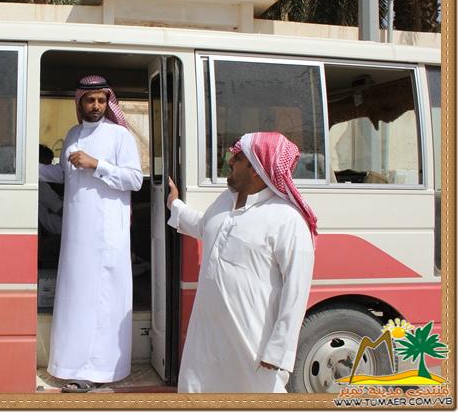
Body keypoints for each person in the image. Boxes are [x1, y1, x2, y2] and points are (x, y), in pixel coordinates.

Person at [167, 132, 316, 393]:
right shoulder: (225, 201)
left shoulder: (287, 220)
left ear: (256, 168)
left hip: (252, 343)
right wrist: (175, 205)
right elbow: (205, 227)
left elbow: (296, 291)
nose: (230, 161)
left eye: (237, 157)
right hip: (206, 338)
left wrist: (278, 349)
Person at [39, 75, 142, 392]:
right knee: (76, 298)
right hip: (76, 235)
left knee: (102, 300)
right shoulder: (73, 134)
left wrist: (97, 164)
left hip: (105, 235)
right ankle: (70, 365)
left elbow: (135, 179)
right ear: (80, 102)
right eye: (90, 100)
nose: (96, 106)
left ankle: (99, 370)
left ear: (107, 102)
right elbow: (64, 173)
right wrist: (23, 166)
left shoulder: (120, 135)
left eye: (101, 100)